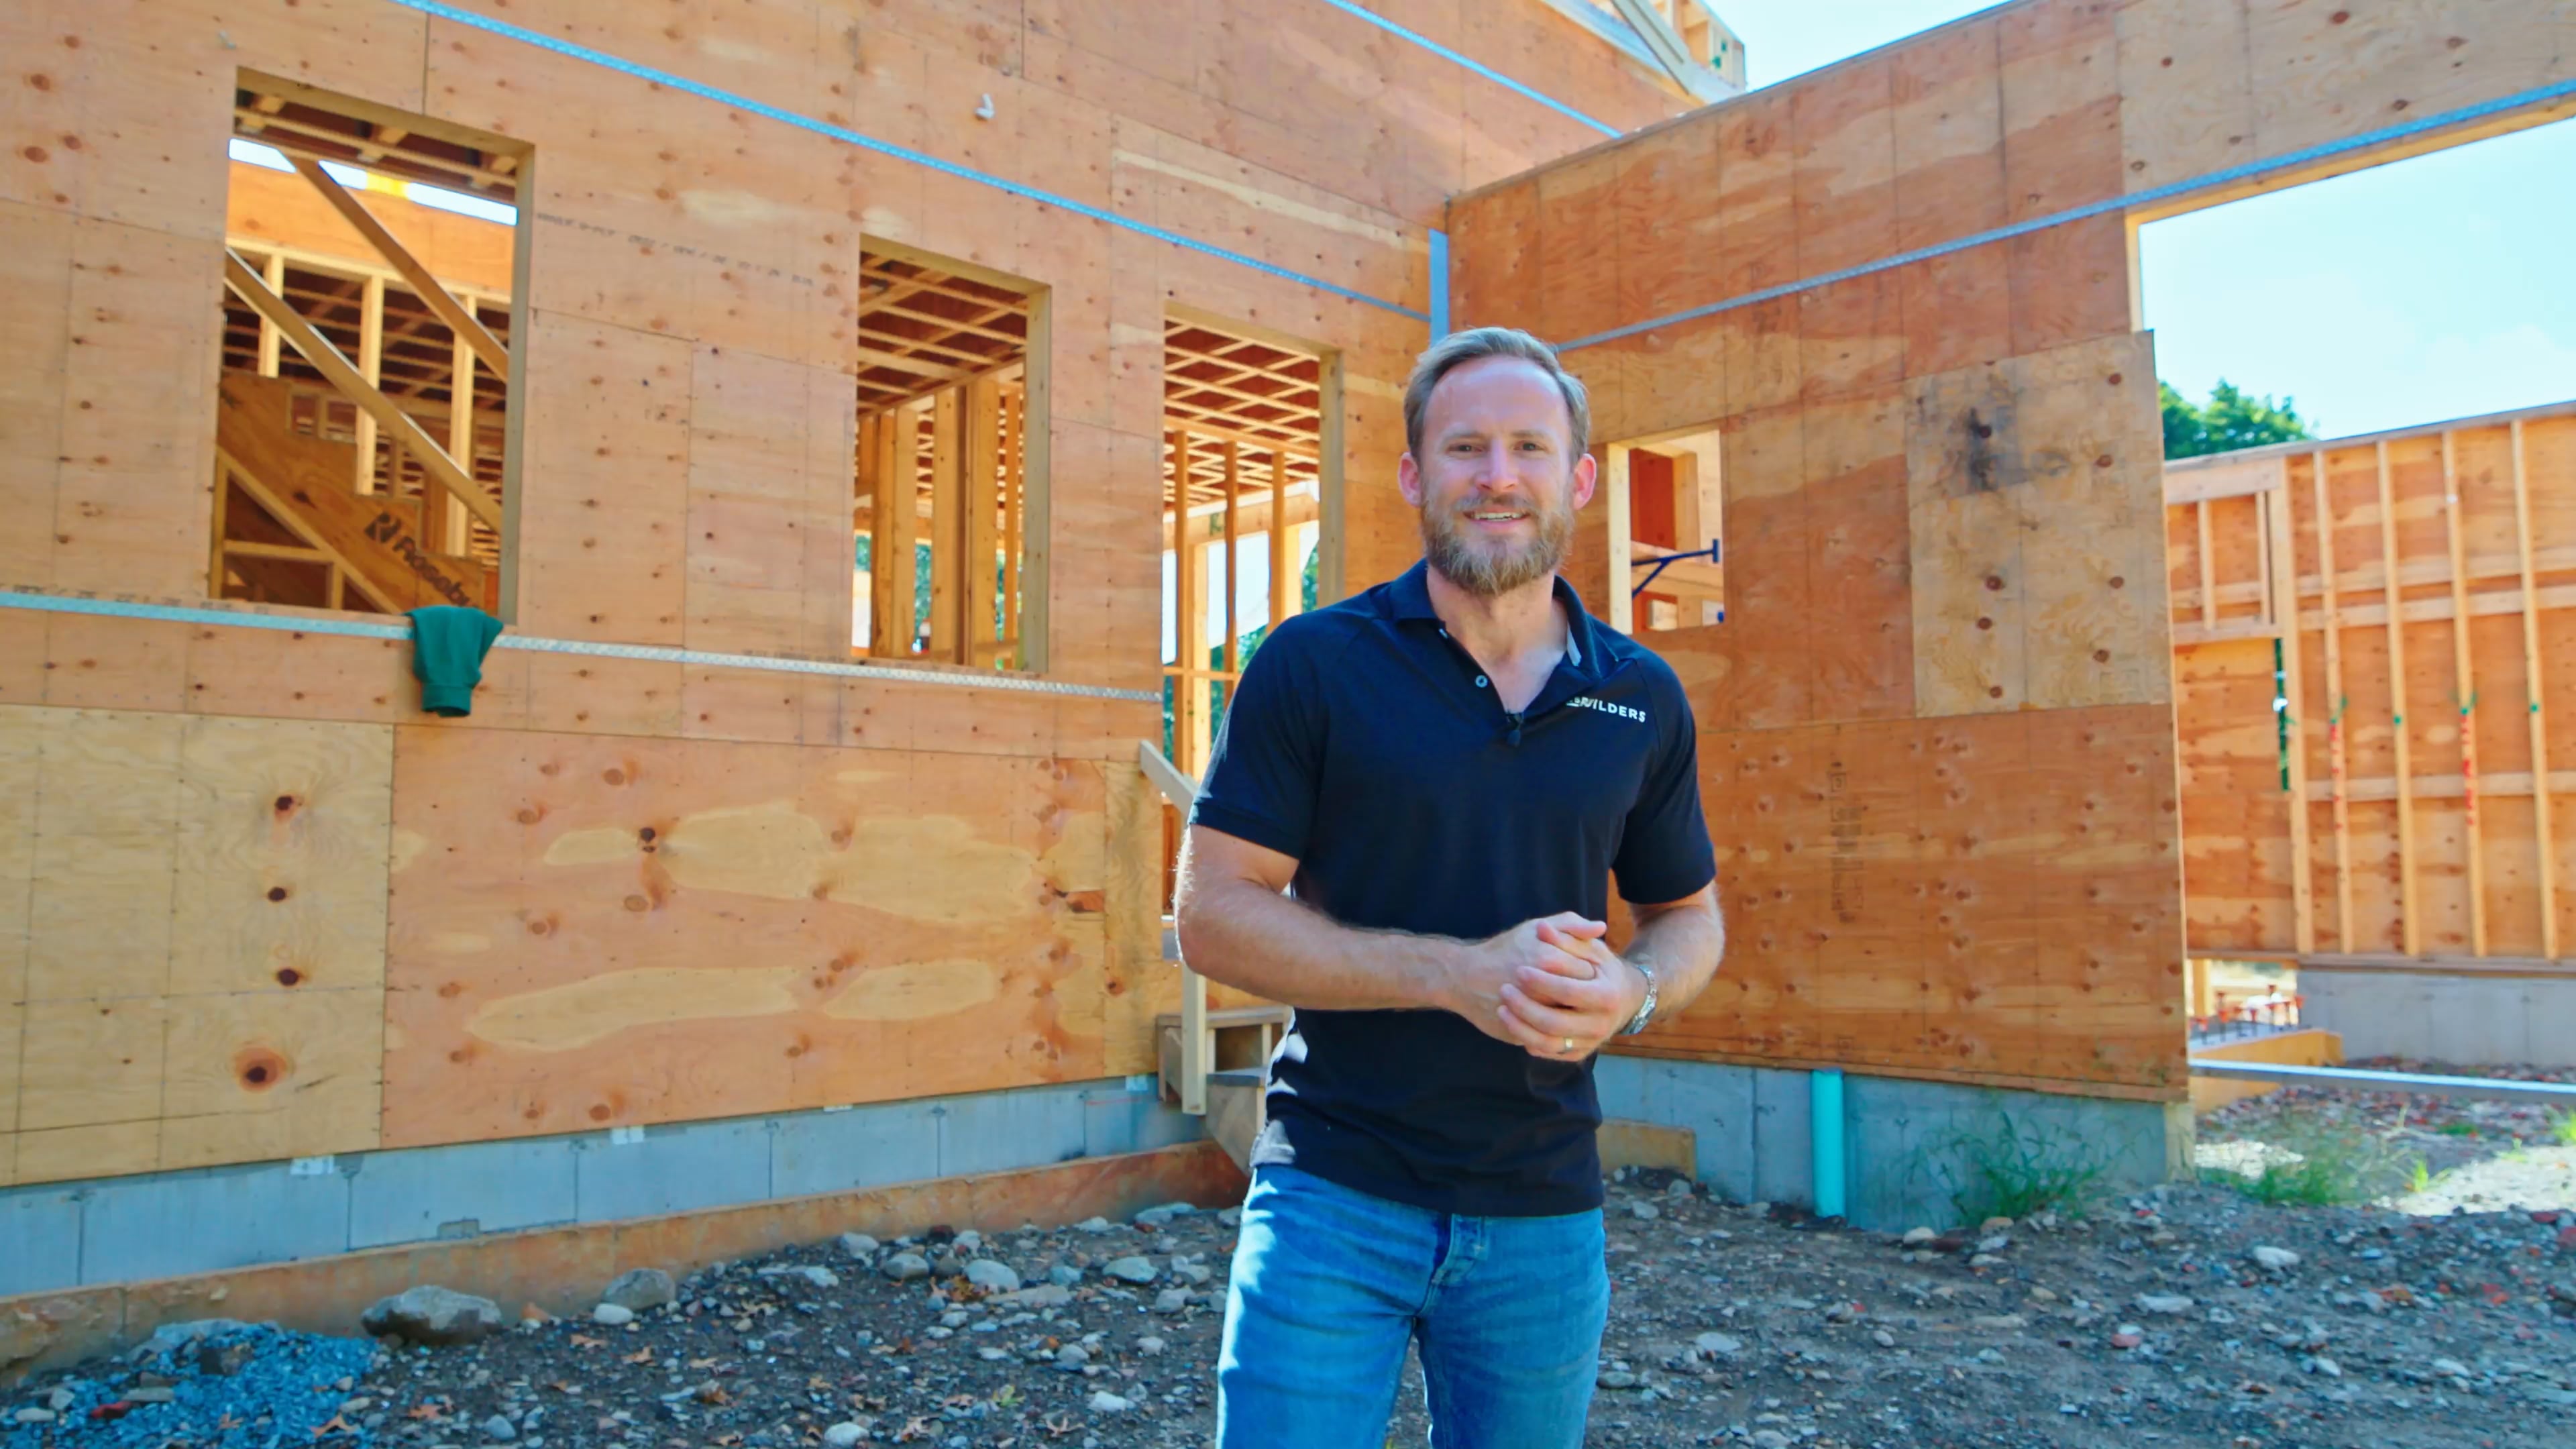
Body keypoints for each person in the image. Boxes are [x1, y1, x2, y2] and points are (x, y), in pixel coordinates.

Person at [1176, 326, 1728, 1448]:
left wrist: (1634, 990)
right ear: (1415, 476)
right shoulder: (1318, 662)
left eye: (1529, 446)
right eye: (1465, 445)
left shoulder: (1641, 695)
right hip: (1332, 1193)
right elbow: (1211, 914)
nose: (1497, 475)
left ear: (1576, 478)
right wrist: (1455, 975)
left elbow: (1688, 916)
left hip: (1543, 1215)